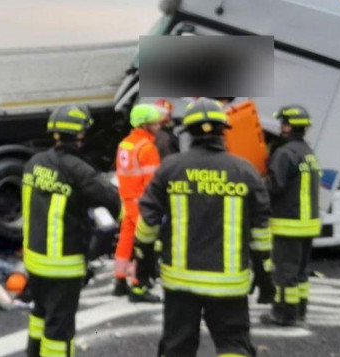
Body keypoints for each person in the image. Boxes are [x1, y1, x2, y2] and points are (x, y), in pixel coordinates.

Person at [134, 98, 272, 357]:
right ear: (223, 130)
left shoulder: (170, 168)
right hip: (229, 283)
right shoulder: (245, 171)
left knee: (177, 347)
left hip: (179, 283)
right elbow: (260, 232)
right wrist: (265, 279)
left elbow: (147, 225)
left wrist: (143, 269)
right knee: (233, 344)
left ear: (188, 132)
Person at [23, 104, 122, 357]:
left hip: (34, 259)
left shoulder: (34, 162)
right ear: (80, 134)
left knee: (40, 315)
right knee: (60, 330)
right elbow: (113, 200)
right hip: (62, 265)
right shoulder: (78, 170)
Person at [260, 105, 321, 327]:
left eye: (283, 123)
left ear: (288, 126)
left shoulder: (285, 153)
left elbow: (274, 186)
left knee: (284, 272)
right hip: (308, 224)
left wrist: (257, 184)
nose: (280, 127)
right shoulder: (307, 152)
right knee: (300, 272)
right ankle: (299, 310)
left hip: (288, 223)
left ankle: (283, 314)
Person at [112, 104, 163, 303]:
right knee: (144, 245)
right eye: (155, 122)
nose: (158, 125)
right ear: (145, 124)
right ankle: (139, 284)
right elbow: (154, 183)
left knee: (125, 240)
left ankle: (120, 280)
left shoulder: (125, 144)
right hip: (143, 204)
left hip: (127, 201)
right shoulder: (147, 148)